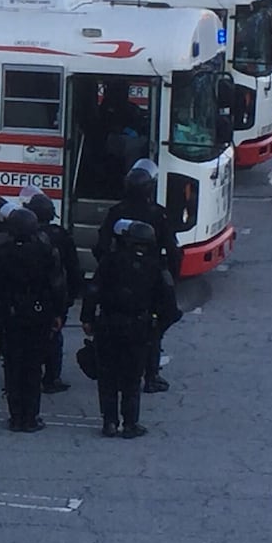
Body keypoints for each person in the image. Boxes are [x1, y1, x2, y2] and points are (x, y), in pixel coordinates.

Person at [81, 219, 180, 439]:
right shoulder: (156, 266)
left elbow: (93, 290)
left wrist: (87, 318)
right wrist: (157, 328)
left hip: (108, 325)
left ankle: (109, 422)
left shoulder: (110, 261)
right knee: (132, 379)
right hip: (138, 327)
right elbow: (169, 304)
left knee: (107, 377)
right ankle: (130, 424)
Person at [94, 159, 182, 391]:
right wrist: (171, 278)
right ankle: (150, 376)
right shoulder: (158, 214)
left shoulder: (117, 211)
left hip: (118, 275)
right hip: (149, 278)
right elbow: (173, 250)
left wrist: (108, 268)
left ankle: (114, 369)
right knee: (153, 326)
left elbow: (101, 246)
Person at [0, 206, 66, 433]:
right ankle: (30, 417)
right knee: (33, 367)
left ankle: (15, 417)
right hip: (38, 315)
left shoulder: (0, 253)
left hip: (9, 314)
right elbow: (57, 286)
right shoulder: (46, 252)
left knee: (12, 366)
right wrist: (58, 313)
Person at [23, 187, 82, 394]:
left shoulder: (24, 235)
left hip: (28, 297)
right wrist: (72, 294)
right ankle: (51, 377)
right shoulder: (61, 236)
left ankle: (27, 375)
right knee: (54, 337)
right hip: (56, 295)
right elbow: (73, 267)